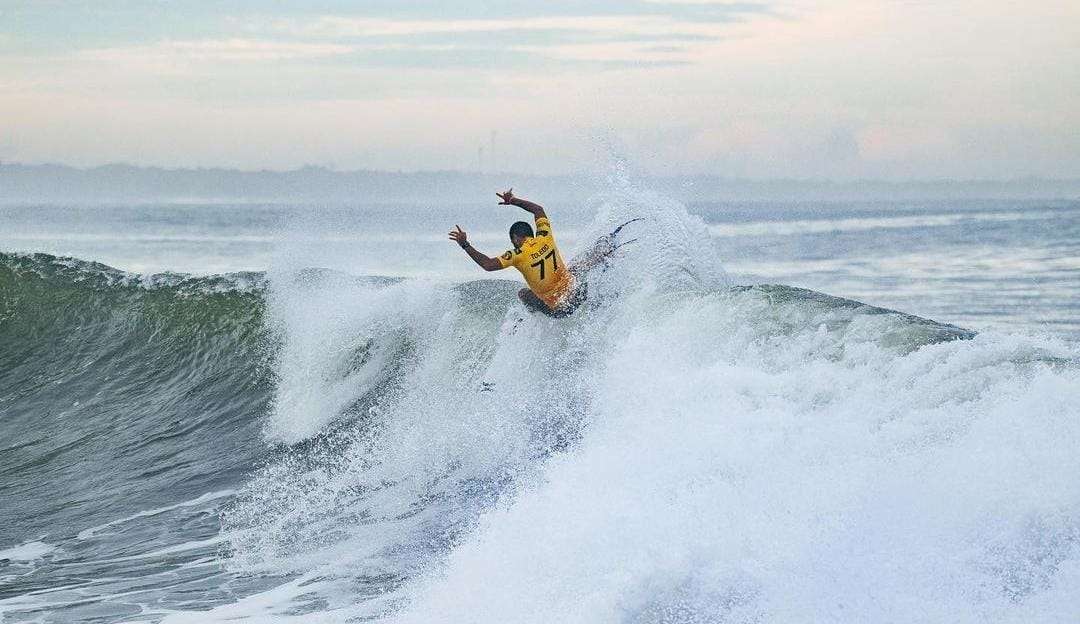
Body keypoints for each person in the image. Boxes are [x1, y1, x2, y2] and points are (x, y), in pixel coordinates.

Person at [449, 189, 593, 317]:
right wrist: (512, 200)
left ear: (516, 238)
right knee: (576, 266)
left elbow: (488, 264)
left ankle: (537, 319)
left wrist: (465, 245)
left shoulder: (517, 254)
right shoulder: (545, 236)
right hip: (577, 296)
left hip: (560, 310)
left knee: (523, 294)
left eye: (513, 241)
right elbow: (538, 210)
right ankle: (608, 249)